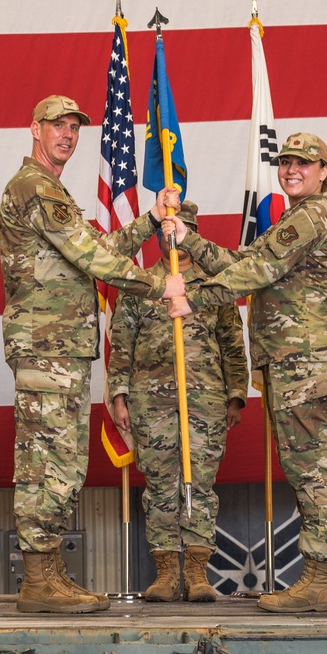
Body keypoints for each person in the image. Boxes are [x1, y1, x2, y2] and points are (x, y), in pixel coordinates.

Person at [0, 94, 185, 614]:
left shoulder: (50, 189)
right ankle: (38, 579)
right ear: (34, 129)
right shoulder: (35, 187)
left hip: (61, 348)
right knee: (46, 462)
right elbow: (92, 255)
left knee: (62, 460)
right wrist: (162, 284)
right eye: (57, 125)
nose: (67, 134)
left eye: (74, 127)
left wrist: (150, 220)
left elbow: (91, 250)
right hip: (47, 346)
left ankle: (49, 571)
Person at [165, 133, 327, 613]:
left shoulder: (313, 214)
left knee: (314, 471)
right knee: (304, 468)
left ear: (323, 171)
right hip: (292, 361)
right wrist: (190, 242)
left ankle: (321, 577)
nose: (292, 169)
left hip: (304, 360)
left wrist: (193, 298)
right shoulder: (295, 217)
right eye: (286, 162)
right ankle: (320, 579)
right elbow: (245, 262)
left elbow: (258, 273)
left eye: (304, 163)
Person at [107, 201, 248, 603]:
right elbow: (121, 344)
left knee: (199, 483)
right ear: (159, 233)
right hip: (151, 402)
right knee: (160, 486)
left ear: (193, 230)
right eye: (168, 227)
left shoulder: (213, 285)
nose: (174, 235)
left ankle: (198, 573)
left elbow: (232, 344)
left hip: (205, 401)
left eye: (182, 227)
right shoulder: (139, 283)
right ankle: (167, 573)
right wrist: (119, 396)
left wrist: (236, 395)